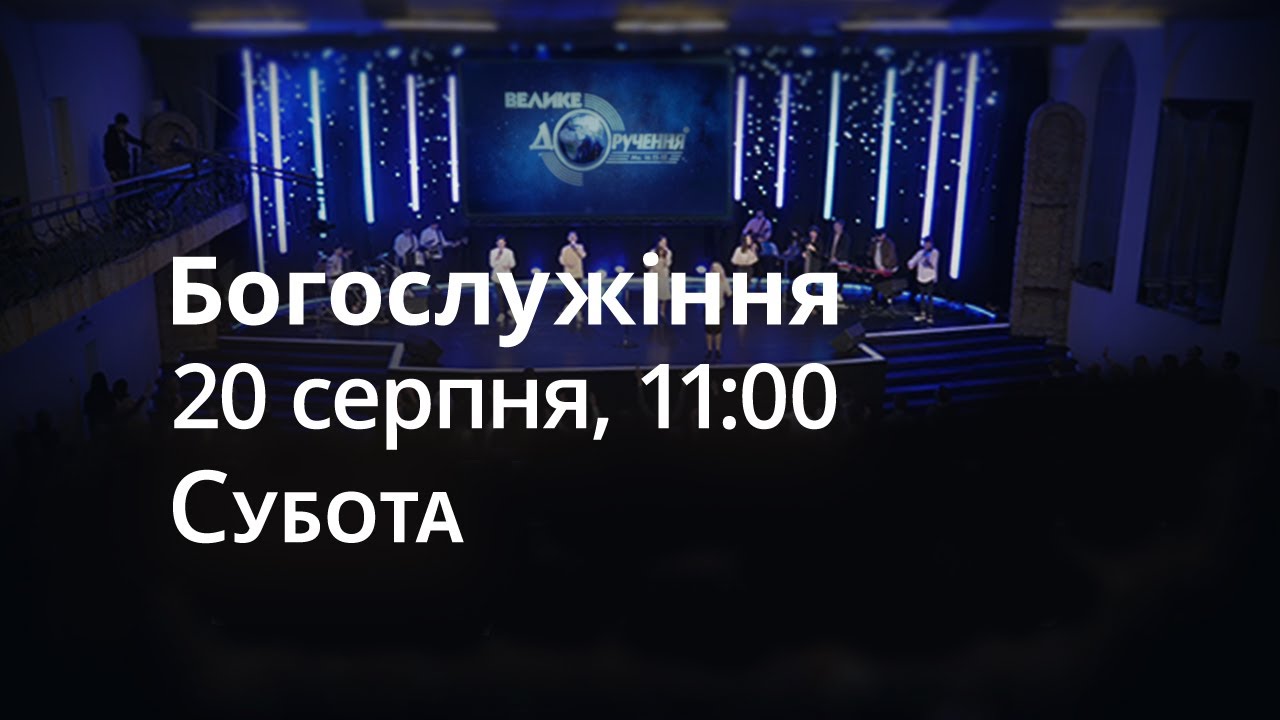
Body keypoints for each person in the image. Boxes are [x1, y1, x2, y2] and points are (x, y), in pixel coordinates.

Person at [907, 236, 941, 323]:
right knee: (922, 296)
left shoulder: (935, 252)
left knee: (929, 297)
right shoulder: (920, 252)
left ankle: (930, 316)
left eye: (928, 243)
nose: (926, 245)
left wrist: (926, 258)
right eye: (925, 243)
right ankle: (922, 314)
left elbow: (932, 265)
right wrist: (911, 264)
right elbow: (912, 261)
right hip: (921, 277)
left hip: (930, 277)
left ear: (931, 244)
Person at [103, 113, 146, 181]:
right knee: (121, 185)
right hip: (117, 167)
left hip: (125, 165)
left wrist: (147, 146)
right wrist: (111, 169)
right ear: (119, 124)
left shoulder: (123, 133)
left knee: (126, 183)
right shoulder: (109, 136)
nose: (124, 127)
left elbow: (133, 140)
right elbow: (108, 153)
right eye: (123, 125)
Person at [705, 261, 732, 360]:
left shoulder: (724, 281)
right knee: (709, 330)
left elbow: (729, 293)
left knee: (718, 330)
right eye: (713, 269)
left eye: (716, 269)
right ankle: (709, 349)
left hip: (719, 307)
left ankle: (718, 349)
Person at [489, 235, 517, 324]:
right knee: (499, 296)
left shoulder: (509, 252)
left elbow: (513, 263)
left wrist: (508, 265)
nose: (500, 244)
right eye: (499, 243)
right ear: (497, 243)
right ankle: (501, 313)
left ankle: (510, 311)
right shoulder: (493, 252)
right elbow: (492, 264)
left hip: (506, 276)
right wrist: (498, 258)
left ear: (505, 243)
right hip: (496, 277)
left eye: (502, 243)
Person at [650, 235, 673, 320]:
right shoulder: (653, 252)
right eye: (662, 242)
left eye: (665, 242)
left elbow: (668, 264)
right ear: (658, 243)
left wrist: (665, 255)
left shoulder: (668, 252)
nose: (664, 244)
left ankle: (662, 312)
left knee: (664, 295)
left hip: (663, 275)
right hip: (654, 274)